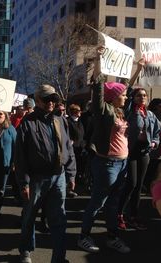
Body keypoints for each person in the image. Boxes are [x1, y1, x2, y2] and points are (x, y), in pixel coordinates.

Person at [77, 46, 130, 254]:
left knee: (114, 203)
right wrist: (99, 58)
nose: (126, 97)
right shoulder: (103, 111)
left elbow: (128, 85)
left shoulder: (120, 111)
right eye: (123, 95)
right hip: (107, 163)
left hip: (122, 163)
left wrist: (138, 69)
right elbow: (98, 85)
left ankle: (112, 237)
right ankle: (84, 236)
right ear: (113, 97)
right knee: (98, 202)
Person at [16, 84, 76, 263]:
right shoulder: (28, 122)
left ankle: (59, 258)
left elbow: (68, 148)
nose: (51, 103)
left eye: (53, 99)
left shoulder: (60, 120)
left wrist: (71, 174)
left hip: (59, 176)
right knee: (29, 216)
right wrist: (23, 182)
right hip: (36, 178)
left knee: (59, 219)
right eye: (47, 99)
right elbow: (20, 156)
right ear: (38, 101)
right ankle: (26, 250)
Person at [117, 58, 160, 230]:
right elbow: (126, 89)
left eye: (144, 95)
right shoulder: (128, 111)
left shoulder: (150, 115)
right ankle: (119, 214)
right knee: (131, 183)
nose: (142, 97)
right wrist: (139, 68)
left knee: (139, 187)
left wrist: (155, 142)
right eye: (138, 95)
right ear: (133, 98)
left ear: (147, 99)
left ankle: (133, 215)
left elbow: (157, 132)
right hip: (131, 151)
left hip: (145, 153)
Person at [67, 104, 85, 197]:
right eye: (78, 110)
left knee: (79, 169)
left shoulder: (80, 122)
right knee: (71, 169)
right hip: (72, 149)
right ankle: (69, 189)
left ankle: (75, 187)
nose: (80, 112)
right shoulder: (68, 122)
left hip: (80, 149)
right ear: (73, 112)